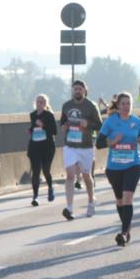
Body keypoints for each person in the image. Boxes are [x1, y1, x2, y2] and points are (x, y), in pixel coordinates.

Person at [98, 93, 140, 246]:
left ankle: (124, 233)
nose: (126, 106)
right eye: (123, 104)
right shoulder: (110, 122)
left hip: (133, 164)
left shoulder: (137, 121)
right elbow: (99, 143)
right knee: (119, 200)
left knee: (127, 197)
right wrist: (113, 141)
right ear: (118, 106)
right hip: (114, 167)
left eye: (128, 103)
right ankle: (127, 227)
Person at [58, 80, 102, 220]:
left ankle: (91, 200)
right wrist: (64, 126)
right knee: (70, 175)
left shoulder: (91, 106)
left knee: (86, 176)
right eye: (75, 89)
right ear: (72, 90)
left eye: (79, 89)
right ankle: (69, 208)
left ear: (84, 90)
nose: (77, 91)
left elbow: (100, 125)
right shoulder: (66, 105)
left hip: (85, 146)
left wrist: (88, 123)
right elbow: (63, 121)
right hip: (70, 145)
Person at [27, 94, 57, 206]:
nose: (39, 104)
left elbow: (54, 131)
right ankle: (35, 196)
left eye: (42, 102)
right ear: (35, 103)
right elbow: (34, 127)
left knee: (46, 170)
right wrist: (30, 130)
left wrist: (43, 125)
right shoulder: (33, 115)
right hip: (35, 147)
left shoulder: (49, 115)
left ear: (45, 104)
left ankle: (50, 188)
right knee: (35, 172)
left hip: (47, 147)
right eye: (38, 101)